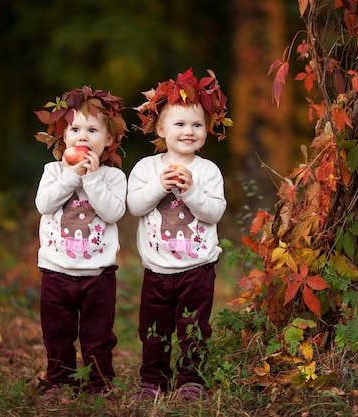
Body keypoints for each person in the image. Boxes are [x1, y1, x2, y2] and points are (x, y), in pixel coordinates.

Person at [128, 68, 232, 401]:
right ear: (160, 129)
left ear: (207, 129)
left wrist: (189, 192)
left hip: (197, 269)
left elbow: (214, 212)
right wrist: (161, 185)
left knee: (194, 328)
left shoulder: (207, 171)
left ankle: (191, 379)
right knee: (154, 330)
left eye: (197, 125)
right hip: (156, 270)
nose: (189, 131)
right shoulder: (146, 168)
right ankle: (153, 380)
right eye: (180, 124)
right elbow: (135, 206)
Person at [33, 86, 128, 395]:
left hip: (98, 275)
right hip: (56, 271)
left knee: (98, 335)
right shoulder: (53, 171)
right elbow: (45, 205)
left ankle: (98, 383)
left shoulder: (113, 177)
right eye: (75, 129)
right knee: (57, 332)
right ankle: (60, 380)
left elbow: (113, 212)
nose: (83, 137)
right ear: (64, 138)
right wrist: (73, 175)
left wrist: (91, 177)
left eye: (92, 130)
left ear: (109, 139)